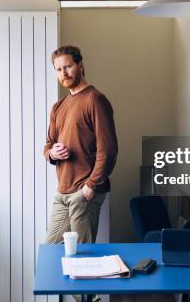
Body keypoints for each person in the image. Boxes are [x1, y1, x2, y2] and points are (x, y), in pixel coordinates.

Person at [44, 45, 118, 245]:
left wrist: (90, 187)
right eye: (59, 69)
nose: (64, 73)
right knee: (51, 250)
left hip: (84, 191)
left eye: (68, 67)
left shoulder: (95, 99)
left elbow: (108, 150)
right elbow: (48, 144)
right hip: (63, 191)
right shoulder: (58, 107)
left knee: (82, 256)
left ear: (81, 66)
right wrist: (52, 153)